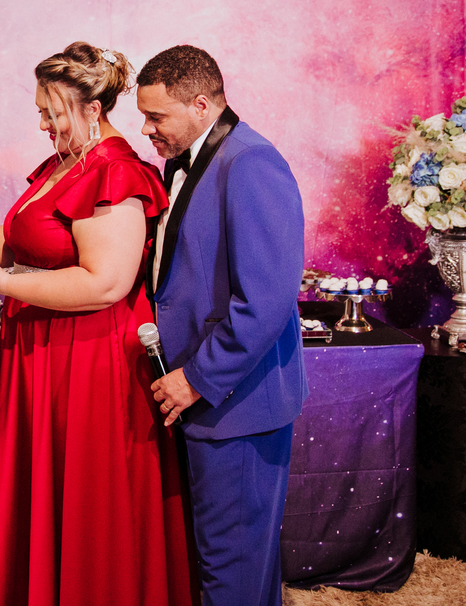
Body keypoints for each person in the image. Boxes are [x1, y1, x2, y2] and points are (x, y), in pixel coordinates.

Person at [0, 42, 197, 606]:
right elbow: (23, 236)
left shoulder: (115, 171)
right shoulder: (69, 161)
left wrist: (2, 283)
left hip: (88, 356)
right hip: (46, 348)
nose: (43, 123)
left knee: (87, 497)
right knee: (44, 490)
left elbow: (105, 284)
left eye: (52, 112)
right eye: (41, 111)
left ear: (92, 109)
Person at [137, 45, 307, 606]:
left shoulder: (251, 162)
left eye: (156, 116)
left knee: (231, 568)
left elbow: (265, 301)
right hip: (210, 401)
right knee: (234, 564)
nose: (146, 129)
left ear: (201, 105)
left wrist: (196, 378)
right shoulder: (188, 159)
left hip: (236, 403)